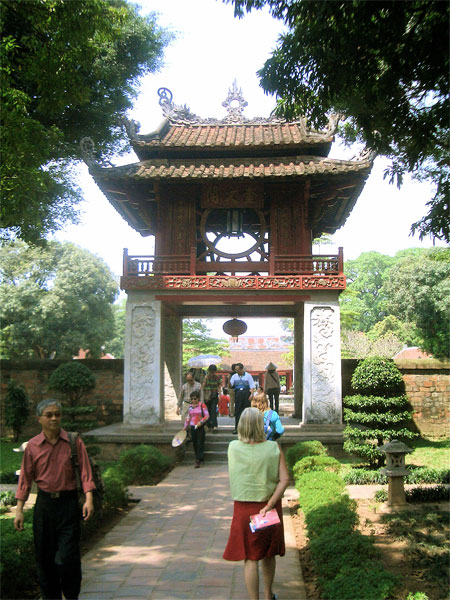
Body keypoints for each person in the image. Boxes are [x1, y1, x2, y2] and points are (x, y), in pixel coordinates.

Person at [14, 399, 95, 600]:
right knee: (44, 559)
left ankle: (71, 595)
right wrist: (19, 509)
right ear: (39, 419)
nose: (54, 418)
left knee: (68, 558)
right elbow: (25, 478)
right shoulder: (32, 446)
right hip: (44, 507)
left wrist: (89, 498)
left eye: (57, 414)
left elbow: (85, 472)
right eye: (49, 415)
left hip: (68, 505)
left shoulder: (74, 441)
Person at [223, 407, 289, 600]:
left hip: (243, 509)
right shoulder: (273, 448)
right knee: (268, 554)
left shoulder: (233, 447)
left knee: (250, 557)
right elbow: (285, 480)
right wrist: (270, 504)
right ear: (262, 425)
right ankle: (268, 595)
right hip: (267, 508)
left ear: (241, 425)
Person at [184, 390, 209, 468]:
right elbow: (188, 417)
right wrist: (185, 426)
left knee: (200, 442)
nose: (193, 400)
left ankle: (198, 459)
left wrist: (200, 422)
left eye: (195, 399)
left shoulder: (202, 406)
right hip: (192, 426)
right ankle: (198, 456)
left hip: (200, 426)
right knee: (195, 442)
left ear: (198, 399)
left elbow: (207, 416)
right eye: (192, 399)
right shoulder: (190, 407)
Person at [229, 363, 255, 434]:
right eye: (235, 370)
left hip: (246, 393)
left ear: (241, 369)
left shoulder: (248, 376)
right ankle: (237, 428)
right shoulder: (234, 376)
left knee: (246, 411)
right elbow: (231, 385)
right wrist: (228, 379)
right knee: (237, 411)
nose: (236, 371)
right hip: (238, 393)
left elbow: (252, 386)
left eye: (237, 369)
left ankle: (247, 429)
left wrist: (252, 394)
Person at [202, 364, 221, 432]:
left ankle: (214, 425)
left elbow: (219, 385)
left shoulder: (217, 377)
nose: (212, 373)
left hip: (214, 395)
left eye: (213, 372)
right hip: (207, 395)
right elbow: (202, 387)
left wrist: (220, 394)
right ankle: (208, 425)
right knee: (207, 410)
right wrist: (205, 379)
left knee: (213, 410)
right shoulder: (205, 377)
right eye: (211, 372)